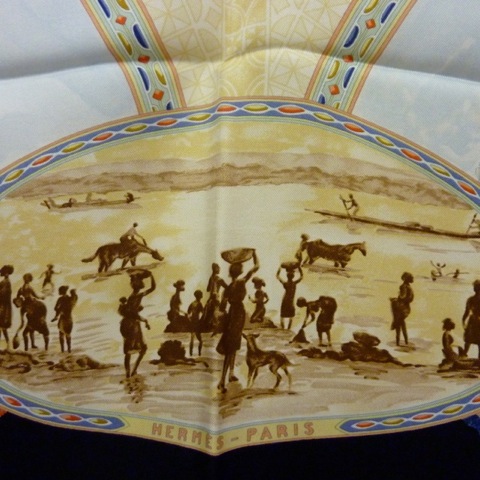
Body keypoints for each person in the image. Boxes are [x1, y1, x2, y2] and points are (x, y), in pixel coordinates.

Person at [217, 251, 259, 393]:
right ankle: (222, 381)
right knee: (231, 348)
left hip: (232, 314)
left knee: (233, 346)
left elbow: (222, 306)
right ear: (239, 270)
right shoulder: (240, 282)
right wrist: (254, 254)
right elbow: (256, 267)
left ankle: (230, 374)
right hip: (238, 315)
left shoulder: (229, 286)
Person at [120, 270, 155, 378]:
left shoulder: (133, 296)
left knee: (129, 350)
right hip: (132, 325)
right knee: (140, 349)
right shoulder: (137, 296)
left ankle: (129, 373)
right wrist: (152, 276)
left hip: (129, 324)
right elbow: (152, 288)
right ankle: (132, 371)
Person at [390, 272, 414, 346]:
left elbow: (402, 296)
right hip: (406, 308)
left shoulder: (403, 286)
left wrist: (395, 299)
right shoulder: (409, 286)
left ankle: (398, 341)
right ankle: (406, 341)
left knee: (398, 323)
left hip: (402, 308)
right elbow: (408, 298)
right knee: (402, 323)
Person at [51, 286, 77, 353]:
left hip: (63, 319)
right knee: (67, 334)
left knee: (61, 334)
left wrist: (57, 314)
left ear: (62, 291)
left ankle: (63, 350)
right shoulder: (70, 299)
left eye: (59, 291)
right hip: (69, 319)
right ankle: (69, 350)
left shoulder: (61, 299)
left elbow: (55, 308)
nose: (58, 292)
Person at [277, 264, 303, 330]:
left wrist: (279, 269)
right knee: (291, 315)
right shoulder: (294, 283)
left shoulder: (285, 283)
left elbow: (277, 276)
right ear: (293, 277)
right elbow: (301, 276)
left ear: (287, 276)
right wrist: (299, 268)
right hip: (291, 301)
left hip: (285, 299)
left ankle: (282, 328)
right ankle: (288, 329)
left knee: (282, 315)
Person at [203, 263, 227, 333]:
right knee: (216, 314)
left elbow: (208, 289)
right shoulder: (219, 279)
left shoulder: (211, 278)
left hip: (210, 299)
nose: (219, 269)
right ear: (215, 268)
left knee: (210, 315)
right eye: (218, 268)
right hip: (216, 298)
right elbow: (227, 287)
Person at [462, 280, 480, 358]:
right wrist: (463, 322)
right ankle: (463, 356)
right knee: (468, 340)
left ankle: (464, 356)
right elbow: (466, 312)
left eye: (476, 287)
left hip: (473, 321)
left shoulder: (471, 299)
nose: (474, 288)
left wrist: (463, 322)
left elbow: (466, 313)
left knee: (470, 341)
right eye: (474, 287)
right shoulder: (470, 299)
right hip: (473, 321)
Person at [0, 265, 14, 348]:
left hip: (4, 306)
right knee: (2, 326)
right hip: (3, 305)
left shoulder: (6, 282)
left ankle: (8, 344)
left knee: (2, 326)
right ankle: (8, 344)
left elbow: (3, 293)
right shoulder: (5, 281)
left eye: (6, 272)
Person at [188, 290, 204, 356]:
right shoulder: (199, 304)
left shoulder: (192, 303)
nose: (202, 296)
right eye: (201, 295)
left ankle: (190, 353)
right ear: (199, 296)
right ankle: (199, 353)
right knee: (200, 340)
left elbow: (188, 312)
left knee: (192, 339)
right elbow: (203, 313)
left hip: (192, 322)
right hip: (197, 322)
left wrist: (190, 318)